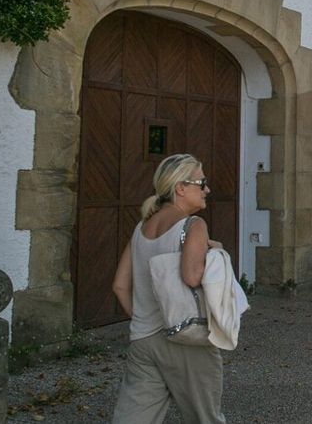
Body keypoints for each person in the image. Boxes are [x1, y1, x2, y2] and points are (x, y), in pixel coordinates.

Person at [112, 153, 226, 423]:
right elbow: (191, 276)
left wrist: (142, 319)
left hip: (143, 339)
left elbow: (119, 286)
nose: (207, 189)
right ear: (181, 188)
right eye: (202, 182)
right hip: (185, 338)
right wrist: (215, 253)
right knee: (204, 418)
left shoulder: (142, 227)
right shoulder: (193, 225)